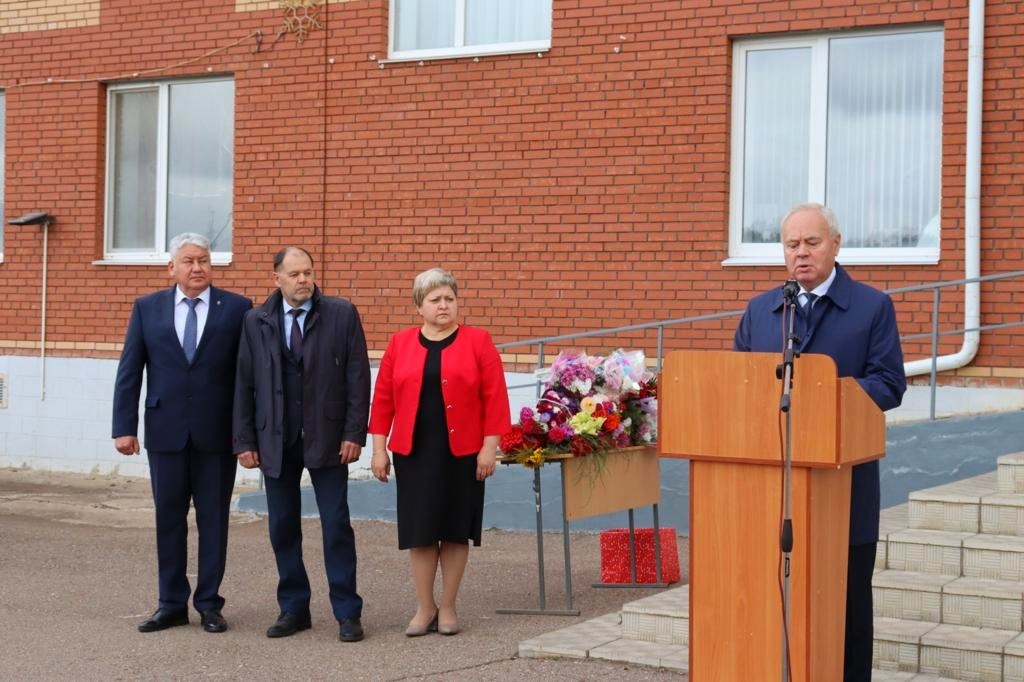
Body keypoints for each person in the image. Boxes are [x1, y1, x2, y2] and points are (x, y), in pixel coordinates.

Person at [733, 202, 906, 682]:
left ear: (835, 244)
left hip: (843, 487)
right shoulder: (762, 311)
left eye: (812, 242)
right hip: (770, 488)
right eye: (792, 245)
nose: (801, 253)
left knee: (846, 608)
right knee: (770, 600)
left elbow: (889, 384)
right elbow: (738, 384)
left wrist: (823, 398)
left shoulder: (872, 307)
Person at [112, 232, 252, 634]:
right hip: (166, 432)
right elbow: (129, 370)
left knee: (214, 522)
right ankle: (171, 604)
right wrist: (123, 427)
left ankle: (209, 604)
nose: (197, 268)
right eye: (188, 261)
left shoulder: (237, 309)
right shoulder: (147, 308)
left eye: (203, 260)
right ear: (171, 267)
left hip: (217, 435)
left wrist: (246, 435)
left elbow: (247, 376)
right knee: (169, 520)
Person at [232, 246, 370, 642]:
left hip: (328, 437)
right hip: (274, 439)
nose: (303, 280)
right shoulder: (256, 320)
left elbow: (358, 377)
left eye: (307, 272)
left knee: (336, 526)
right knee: (282, 526)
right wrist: (244, 439)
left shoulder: (341, 314)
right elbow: (244, 382)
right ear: (276, 278)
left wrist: (353, 432)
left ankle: (347, 612)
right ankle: (294, 609)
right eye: (294, 274)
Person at [369, 267, 510, 637]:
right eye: (435, 299)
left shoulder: (479, 341)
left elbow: (495, 397)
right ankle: (424, 606)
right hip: (414, 453)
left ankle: (448, 606)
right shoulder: (399, 344)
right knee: (420, 531)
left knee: (454, 530)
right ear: (419, 306)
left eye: (449, 298)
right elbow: (382, 401)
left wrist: (489, 448)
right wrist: (379, 450)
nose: (443, 305)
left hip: (463, 454)